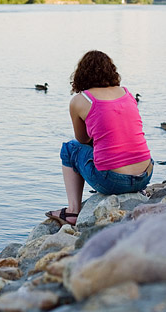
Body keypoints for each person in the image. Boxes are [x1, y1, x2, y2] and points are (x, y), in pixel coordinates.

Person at [46, 50, 153, 226]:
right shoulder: (127, 93)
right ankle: (137, 191)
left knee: (69, 149)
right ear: (111, 71)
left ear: (81, 74)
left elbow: (81, 139)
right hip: (145, 174)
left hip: (112, 181)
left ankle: (73, 210)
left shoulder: (80, 100)